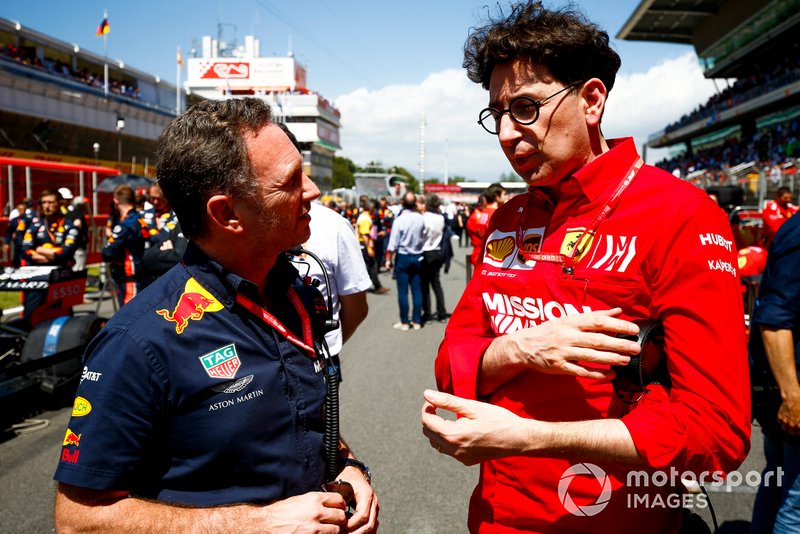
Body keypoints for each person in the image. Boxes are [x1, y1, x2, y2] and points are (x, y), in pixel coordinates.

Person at [421, 3, 750, 532]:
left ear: (592, 100)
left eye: (525, 108)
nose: (507, 133)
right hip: (496, 516)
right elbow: (450, 363)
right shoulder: (508, 217)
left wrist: (533, 437)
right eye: (497, 114)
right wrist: (520, 348)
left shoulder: (682, 215)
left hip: (617, 519)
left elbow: (717, 433)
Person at [53, 98, 378, 533]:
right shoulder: (138, 342)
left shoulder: (296, 293)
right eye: (291, 181)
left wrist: (349, 465)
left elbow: (305, 419)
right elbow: (76, 520)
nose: (314, 191)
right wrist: (251, 524)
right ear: (226, 213)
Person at [749, 214, 800, 533]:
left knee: (781, 480)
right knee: (795, 502)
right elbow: (774, 321)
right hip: (790, 390)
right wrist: (792, 396)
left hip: (783, 386)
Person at [385, 191, 425, 331]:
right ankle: (417, 320)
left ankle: (404, 322)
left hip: (403, 256)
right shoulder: (421, 219)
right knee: (416, 290)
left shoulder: (399, 220)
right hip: (418, 256)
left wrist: (388, 259)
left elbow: (392, 243)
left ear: (402, 203)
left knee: (403, 291)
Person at [101, 185, 146, 307]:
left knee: (129, 316)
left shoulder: (126, 225)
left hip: (130, 276)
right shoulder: (141, 218)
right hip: (141, 273)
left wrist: (110, 237)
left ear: (116, 200)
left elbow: (107, 251)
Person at [420, 193, 449, 323]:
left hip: (425, 251)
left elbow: (422, 235)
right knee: (436, 283)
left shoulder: (424, 217)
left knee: (425, 284)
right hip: (437, 251)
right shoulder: (440, 218)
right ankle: (442, 313)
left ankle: (427, 313)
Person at [356, 199, 389, 295]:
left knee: (369, 267)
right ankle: (376, 287)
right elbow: (364, 234)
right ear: (371, 208)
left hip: (363, 246)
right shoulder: (365, 218)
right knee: (371, 266)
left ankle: (376, 286)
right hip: (364, 246)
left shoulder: (364, 216)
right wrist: (369, 248)